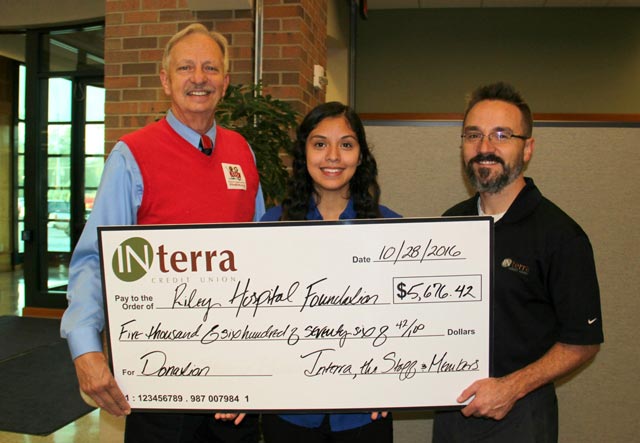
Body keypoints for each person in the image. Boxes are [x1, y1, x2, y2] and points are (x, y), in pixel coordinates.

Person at [60, 23, 263, 443]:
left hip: (235, 371)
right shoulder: (132, 155)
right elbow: (96, 259)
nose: (199, 78)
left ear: (225, 82)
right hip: (160, 372)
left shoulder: (242, 153)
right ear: (165, 80)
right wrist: (86, 347)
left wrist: (263, 364)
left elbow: (261, 259)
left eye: (210, 67)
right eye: (185, 67)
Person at [432, 82, 604, 443]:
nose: (484, 148)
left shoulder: (560, 235)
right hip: (451, 415)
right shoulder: (449, 224)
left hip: (521, 415)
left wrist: (511, 388)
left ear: (527, 149)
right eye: (473, 135)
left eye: (501, 135)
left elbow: (583, 341)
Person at [260, 101, 398, 442]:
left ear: (361, 156)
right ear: (303, 153)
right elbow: (255, 319)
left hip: (365, 412)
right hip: (289, 410)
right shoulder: (269, 226)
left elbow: (402, 325)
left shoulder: (392, 227)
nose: (333, 156)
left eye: (346, 145)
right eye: (320, 144)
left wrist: (395, 382)